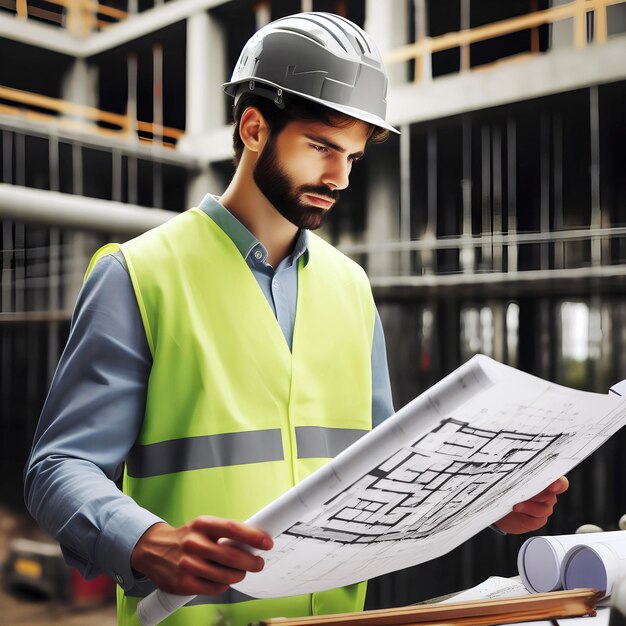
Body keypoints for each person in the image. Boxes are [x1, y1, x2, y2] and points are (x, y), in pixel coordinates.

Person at [24, 11, 569, 626]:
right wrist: (147, 542)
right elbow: (57, 468)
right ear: (254, 127)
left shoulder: (350, 287)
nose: (338, 177)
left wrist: (486, 502)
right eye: (320, 147)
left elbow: (389, 465)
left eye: (353, 158)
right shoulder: (140, 274)